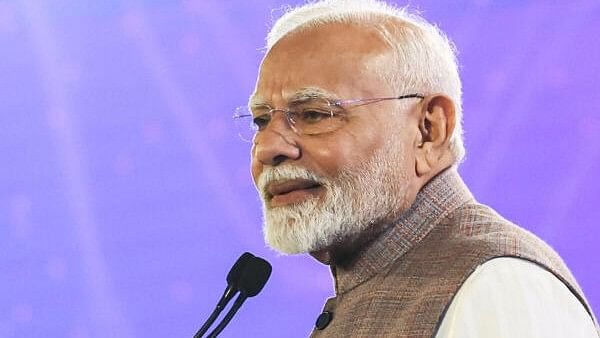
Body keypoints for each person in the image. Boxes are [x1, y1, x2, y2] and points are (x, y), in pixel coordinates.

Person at [235, 0, 599, 336]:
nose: (267, 148)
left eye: (314, 114)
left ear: (429, 130)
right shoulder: (376, 280)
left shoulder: (499, 286)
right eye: (260, 121)